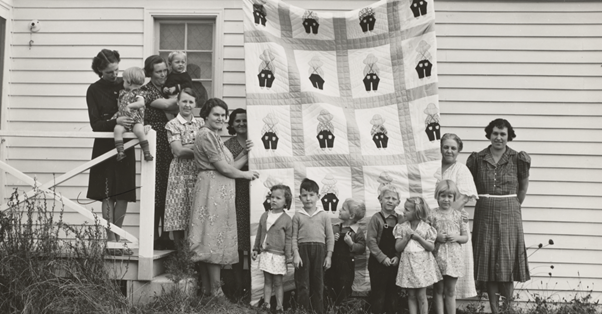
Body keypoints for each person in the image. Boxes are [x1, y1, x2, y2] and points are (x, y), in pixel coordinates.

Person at [188, 98, 259, 297]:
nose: (220, 118)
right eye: (216, 115)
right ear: (206, 116)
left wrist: (246, 153)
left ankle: (208, 290)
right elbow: (223, 168)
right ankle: (216, 292)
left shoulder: (216, 136)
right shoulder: (206, 135)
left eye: (222, 115)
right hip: (212, 191)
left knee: (213, 239)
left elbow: (231, 166)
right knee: (211, 241)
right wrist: (246, 175)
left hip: (221, 191)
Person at [467, 118, 531, 314]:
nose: (498, 137)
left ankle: (508, 307)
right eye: (495, 133)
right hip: (485, 212)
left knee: (506, 261)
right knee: (488, 262)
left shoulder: (518, 158)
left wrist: (509, 204)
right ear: (489, 134)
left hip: (510, 211)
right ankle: (494, 309)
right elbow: (468, 186)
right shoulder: (477, 158)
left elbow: (522, 189)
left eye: (503, 134)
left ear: (508, 136)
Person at [86, 49, 136, 255]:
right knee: (107, 194)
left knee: (123, 193)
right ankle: (110, 239)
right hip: (105, 146)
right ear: (99, 70)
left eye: (116, 70)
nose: (114, 75)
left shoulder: (125, 84)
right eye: (109, 72)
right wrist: (115, 121)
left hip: (125, 145)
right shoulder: (94, 90)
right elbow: (95, 124)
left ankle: (118, 236)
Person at [140, 55, 179, 249]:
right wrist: (186, 95)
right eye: (158, 71)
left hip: (169, 143)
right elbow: (170, 106)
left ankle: (166, 235)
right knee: (154, 189)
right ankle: (153, 235)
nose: (163, 74)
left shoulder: (165, 90)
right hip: (155, 145)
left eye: (165, 70)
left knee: (167, 188)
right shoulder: (146, 92)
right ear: (149, 73)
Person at [434, 133, 478, 299]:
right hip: (435, 222)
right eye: (446, 147)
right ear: (440, 148)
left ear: (459, 150)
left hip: (454, 224)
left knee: (453, 263)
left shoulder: (461, 169)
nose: (449, 151)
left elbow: (463, 197)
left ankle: (452, 301)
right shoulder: (433, 166)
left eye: (453, 148)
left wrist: (446, 216)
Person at [163, 88, 204, 247]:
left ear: (195, 104)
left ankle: (195, 257)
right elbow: (178, 151)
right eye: (184, 101)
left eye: (190, 102)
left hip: (198, 170)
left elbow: (209, 147)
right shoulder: (172, 124)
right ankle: (181, 259)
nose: (187, 105)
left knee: (196, 211)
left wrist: (190, 146)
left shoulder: (201, 123)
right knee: (178, 213)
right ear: (178, 102)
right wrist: (197, 148)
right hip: (179, 172)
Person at [292, 178, 334, 314]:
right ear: (300, 197)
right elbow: (293, 237)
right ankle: (302, 310)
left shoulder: (324, 216)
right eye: (304, 195)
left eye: (311, 195)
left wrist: (329, 256)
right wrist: (296, 254)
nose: (308, 198)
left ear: (318, 196)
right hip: (303, 251)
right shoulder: (298, 216)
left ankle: (318, 311)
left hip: (320, 251)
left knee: (318, 283)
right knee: (303, 284)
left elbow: (330, 237)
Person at [394, 197, 442, 314]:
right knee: (411, 295)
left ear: (417, 212)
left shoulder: (426, 228)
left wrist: (419, 238)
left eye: (407, 209)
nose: (404, 212)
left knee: (421, 295)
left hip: (422, 266)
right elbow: (398, 248)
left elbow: (431, 247)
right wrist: (406, 238)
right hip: (408, 265)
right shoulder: (402, 227)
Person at [252, 184, 293, 314]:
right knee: (267, 281)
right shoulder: (265, 215)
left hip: (279, 255)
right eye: (272, 197)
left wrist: (288, 256)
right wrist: (255, 249)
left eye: (278, 198)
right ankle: (266, 305)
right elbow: (259, 233)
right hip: (266, 254)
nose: (274, 200)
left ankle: (279, 307)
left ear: (286, 201)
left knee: (278, 282)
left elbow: (288, 239)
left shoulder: (287, 219)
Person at [223, 108, 252, 298]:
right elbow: (230, 168)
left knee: (253, 241)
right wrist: (247, 154)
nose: (241, 124)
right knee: (238, 242)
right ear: (232, 124)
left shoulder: (256, 140)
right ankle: (238, 286)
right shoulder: (228, 144)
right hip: (237, 194)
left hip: (255, 195)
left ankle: (253, 285)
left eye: (244, 121)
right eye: (237, 121)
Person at [431, 180, 468, 314]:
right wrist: (437, 237)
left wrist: (457, 238)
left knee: (451, 291)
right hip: (437, 257)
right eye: (443, 196)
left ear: (454, 198)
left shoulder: (459, 215)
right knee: (438, 289)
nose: (446, 199)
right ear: (437, 196)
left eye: (449, 196)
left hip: (454, 258)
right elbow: (425, 234)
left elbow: (465, 237)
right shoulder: (432, 214)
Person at [324, 198, 366, 306]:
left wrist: (351, 244)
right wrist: (333, 238)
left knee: (344, 288)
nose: (339, 210)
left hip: (347, 266)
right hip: (333, 264)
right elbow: (326, 242)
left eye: (343, 209)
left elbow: (362, 248)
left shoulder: (357, 231)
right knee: (331, 285)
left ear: (351, 215)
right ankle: (330, 308)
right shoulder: (336, 227)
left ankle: (342, 309)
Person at [366, 185, 401, 314]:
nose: (390, 201)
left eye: (393, 198)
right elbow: (371, 241)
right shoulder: (376, 219)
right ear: (380, 199)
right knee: (378, 294)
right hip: (377, 264)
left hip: (394, 263)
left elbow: (402, 240)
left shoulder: (400, 220)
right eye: (387, 198)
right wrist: (382, 258)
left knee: (392, 293)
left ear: (398, 202)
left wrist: (397, 256)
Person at [112, 66, 153, 162]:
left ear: (129, 82)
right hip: (124, 119)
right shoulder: (123, 93)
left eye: (124, 81)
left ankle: (146, 152)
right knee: (117, 130)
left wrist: (130, 106)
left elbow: (141, 103)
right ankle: (121, 152)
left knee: (139, 131)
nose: (123, 83)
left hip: (135, 119)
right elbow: (120, 105)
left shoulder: (139, 93)